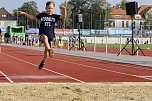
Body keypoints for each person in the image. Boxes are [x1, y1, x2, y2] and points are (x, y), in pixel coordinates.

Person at [17, 1, 66, 70]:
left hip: (50, 36)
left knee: (45, 54)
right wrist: (25, 14)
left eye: (51, 8)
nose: (50, 9)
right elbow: (33, 18)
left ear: (53, 9)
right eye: (48, 8)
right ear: (46, 8)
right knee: (45, 37)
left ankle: (43, 61)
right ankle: (50, 50)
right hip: (42, 34)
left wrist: (64, 11)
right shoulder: (42, 15)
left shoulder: (55, 16)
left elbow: (63, 17)